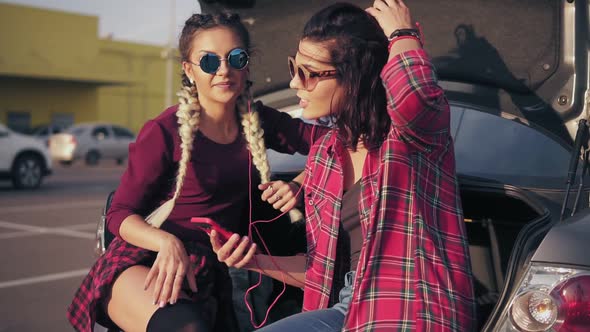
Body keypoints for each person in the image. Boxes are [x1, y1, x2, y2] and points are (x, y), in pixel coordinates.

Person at [210, 1, 476, 331]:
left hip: (412, 310)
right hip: (347, 310)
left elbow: (416, 97)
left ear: (354, 77)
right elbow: (320, 274)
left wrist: (402, 34)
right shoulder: (326, 154)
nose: (294, 83)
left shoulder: (413, 139)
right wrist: (254, 261)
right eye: (295, 67)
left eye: (308, 73)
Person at [67, 12, 324, 332]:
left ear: (246, 65)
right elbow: (119, 214)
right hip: (148, 259)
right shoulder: (163, 131)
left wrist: (300, 183)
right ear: (189, 70)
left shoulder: (259, 120)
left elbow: (335, 143)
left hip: (211, 271)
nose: (224, 70)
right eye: (209, 62)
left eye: (236, 57)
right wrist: (166, 243)